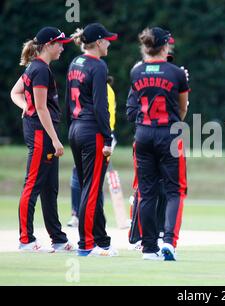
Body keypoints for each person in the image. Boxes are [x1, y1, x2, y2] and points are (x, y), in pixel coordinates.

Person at [126, 26, 189, 261]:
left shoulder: (136, 72)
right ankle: (169, 242)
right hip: (168, 135)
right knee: (175, 191)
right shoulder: (176, 73)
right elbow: (182, 108)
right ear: (165, 46)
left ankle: (148, 247)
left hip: (143, 135)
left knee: (146, 192)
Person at [10, 26, 75, 252]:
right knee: (33, 184)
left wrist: (25, 106)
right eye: (60, 44)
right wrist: (56, 140)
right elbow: (40, 107)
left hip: (41, 130)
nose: (61, 48)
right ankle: (25, 240)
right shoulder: (40, 70)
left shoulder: (36, 67)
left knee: (50, 187)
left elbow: (16, 93)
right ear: (48, 45)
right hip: (41, 133)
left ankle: (57, 238)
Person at [66, 23, 118, 257]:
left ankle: (102, 240)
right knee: (91, 187)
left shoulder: (75, 62)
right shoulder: (98, 65)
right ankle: (86, 244)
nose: (108, 43)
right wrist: (108, 138)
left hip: (76, 128)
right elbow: (100, 105)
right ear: (98, 42)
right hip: (92, 132)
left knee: (91, 187)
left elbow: (69, 100)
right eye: (106, 40)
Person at [67, 75, 117, 228]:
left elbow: (103, 114)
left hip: (100, 134)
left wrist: (107, 141)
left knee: (92, 177)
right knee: (91, 177)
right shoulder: (104, 88)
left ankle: (88, 216)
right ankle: (86, 215)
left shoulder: (102, 89)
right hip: (93, 133)